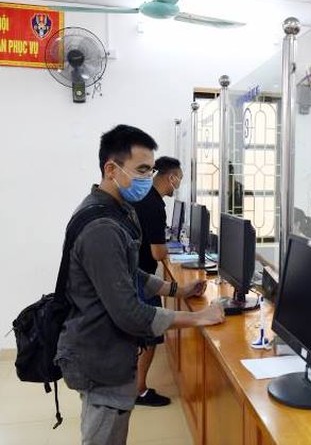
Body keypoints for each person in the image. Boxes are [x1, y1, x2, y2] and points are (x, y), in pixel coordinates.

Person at [55, 124, 225, 445]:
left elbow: (132, 274)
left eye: (151, 169)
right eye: (143, 169)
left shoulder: (116, 210)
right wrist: (198, 318)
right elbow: (131, 313)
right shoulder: (102, 226)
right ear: (111, 169)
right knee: (103, 436)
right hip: (99, 355)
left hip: (106, 349)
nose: (150, 177)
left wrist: (178, 290)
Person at [132, 156, 183, 407]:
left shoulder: (145, 199)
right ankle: (139, 390)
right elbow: (157, 253)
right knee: (148, 338)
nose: (179, 184)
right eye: (179, 179)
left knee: (143, 337)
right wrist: (168, 251)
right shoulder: (154, 205)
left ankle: (134, 386)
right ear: (170, 177)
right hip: (142, 277)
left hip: (137, 274)